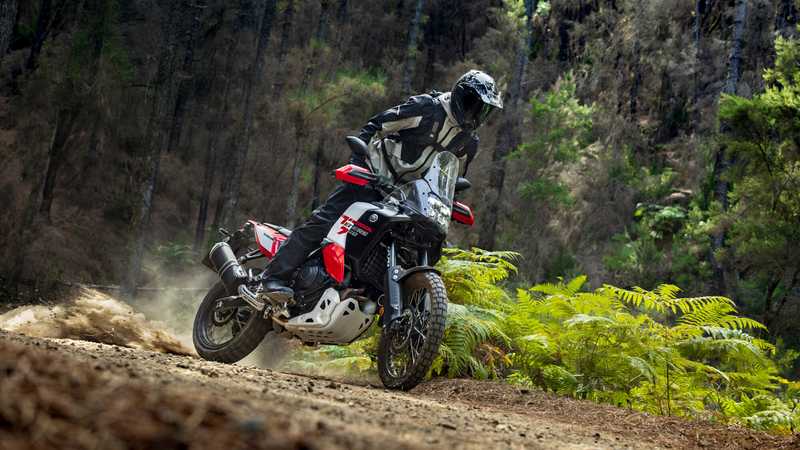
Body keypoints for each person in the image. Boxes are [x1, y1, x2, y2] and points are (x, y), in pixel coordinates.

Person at [259, 69, 503, 303]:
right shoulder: (426, 108)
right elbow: (376, 126)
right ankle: (272, 279)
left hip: (410, 200)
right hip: (375, 177)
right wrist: (361, 165)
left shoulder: (468, 142)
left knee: (426, 246)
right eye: (474, 105)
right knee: (324, 221)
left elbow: (450, 178)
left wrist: (450, 201)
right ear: (460, 95)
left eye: (483, 110)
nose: (476, 114)